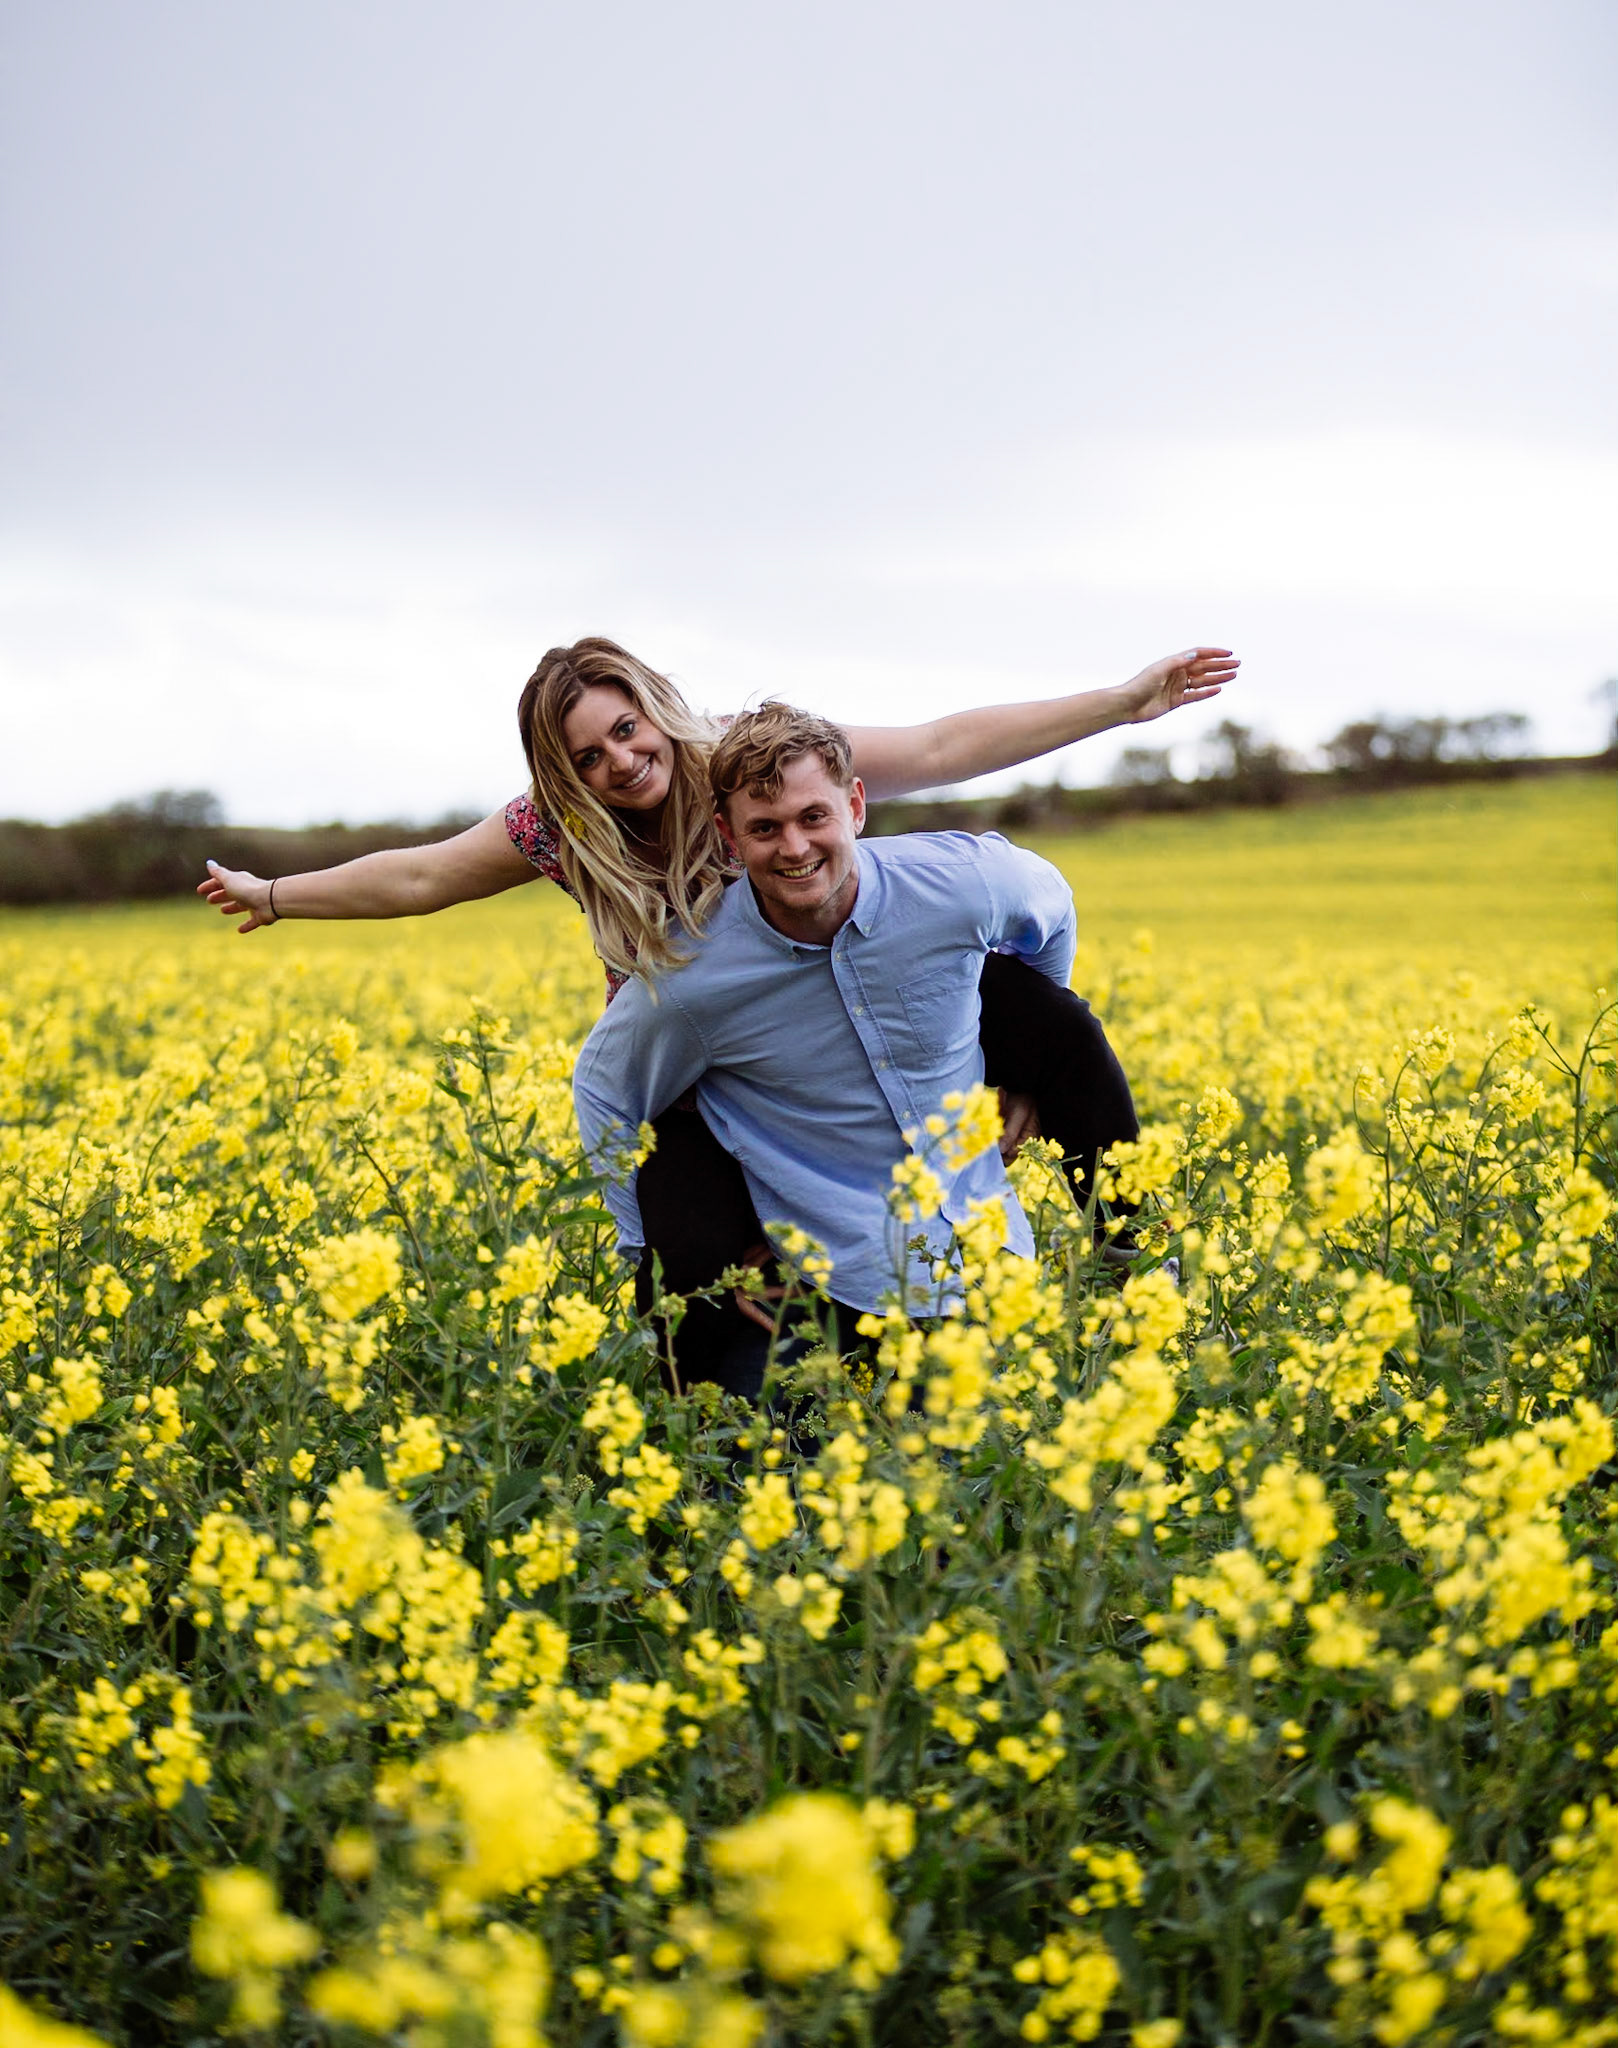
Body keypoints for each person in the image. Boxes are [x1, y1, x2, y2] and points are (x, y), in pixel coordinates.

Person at [198, 636, 1235, 1378]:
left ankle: (1139, 1266)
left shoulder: (744, 760)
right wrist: (277, 896)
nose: (619, 762)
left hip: (854, 980)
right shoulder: (553, 826)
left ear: (652, 707)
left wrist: (1121, 702)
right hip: (700, 1054)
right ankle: (720, 1456)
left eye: (624, 729)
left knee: (1051, 1024)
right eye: (587, 755)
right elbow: (421, 877)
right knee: (696, 1268)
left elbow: (937, 743)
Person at [573, 702, 1083, 1399]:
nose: (793, 847)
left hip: (985, 1263)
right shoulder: (698, 975)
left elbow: (1051, 906)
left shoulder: (960, 885)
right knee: (780, 1488)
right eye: (764, 829)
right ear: (728, 833)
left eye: (813, 817)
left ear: (856, 805)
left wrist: (1025, 1066)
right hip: (825, 1290)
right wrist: (662, 1264)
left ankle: (1133, 1250)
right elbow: (603, 1089)